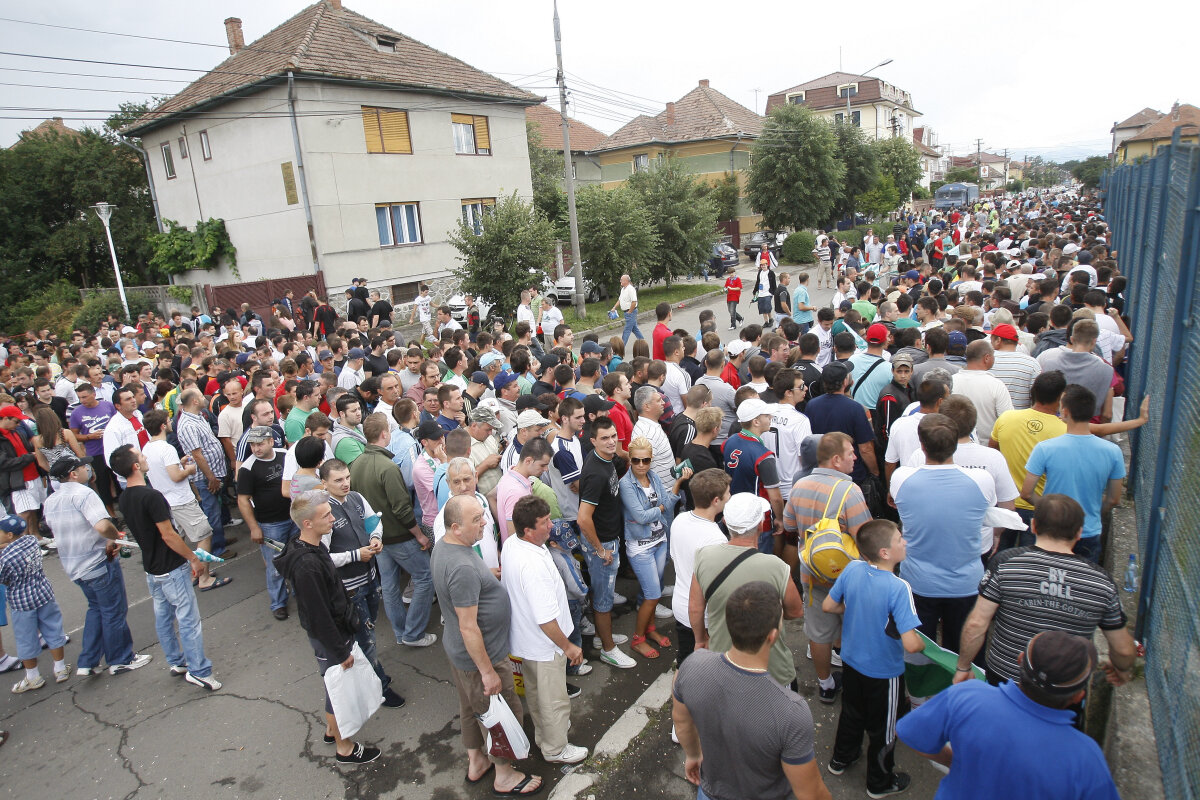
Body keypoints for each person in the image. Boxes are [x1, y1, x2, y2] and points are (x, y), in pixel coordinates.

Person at [897, 631, 1122, 800]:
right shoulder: (1087, 759)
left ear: (1020, 660)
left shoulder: (967, 696)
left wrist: (955, 761)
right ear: (1078, 697)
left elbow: (911, 733)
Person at [955, 494, 1137, 693]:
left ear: (1033, 526)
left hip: (1006, 679)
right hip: (1064, 687)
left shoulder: (1006, 563)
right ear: (1079, 533)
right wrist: (1123, 669)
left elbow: (977, 624)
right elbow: (1123, 649)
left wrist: (963, 667)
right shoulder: (1102, 582)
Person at [673, 580, 831, 800]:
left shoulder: (691, 666)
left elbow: (681, 720)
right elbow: (811, 792)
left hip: (709, 792)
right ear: (772, 635)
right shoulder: (791, 711)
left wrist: (692, 754)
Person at [432, 495, 543, 795]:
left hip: (458, 653)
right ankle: (504, 774)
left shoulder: (445, 546)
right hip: (481, 659)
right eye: (477, 520)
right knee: (500, 714)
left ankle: (476, 761)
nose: (485, 523)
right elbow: (469, 626)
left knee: (471, 709)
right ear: (456, 527)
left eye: (483, 515)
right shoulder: (462, 567)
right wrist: (488, 672)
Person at [274, 491, 381, 765]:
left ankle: (331, 730)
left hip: (334, 632)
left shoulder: (312, 546)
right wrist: (340, 650)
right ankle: (344, 747)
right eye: (326, 515)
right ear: (307, 523)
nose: (333, 518)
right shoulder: (307, 565)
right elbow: (319, 614)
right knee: (338, 689)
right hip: (332, 637)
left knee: (331, 683)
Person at [822, 520, 924, 797]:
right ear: (885, 553)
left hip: (852, 661)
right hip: (884, 672)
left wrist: (856, 607)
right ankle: (879, 783)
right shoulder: (899, 587)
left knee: (852, 713)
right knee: (884, 730)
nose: (904, 542)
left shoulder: (853, 568)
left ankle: (840, 759)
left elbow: (829, 605)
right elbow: (911, 644)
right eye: (900, 539)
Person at [109, 445, 219, 691]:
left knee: (163, 616)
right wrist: (193, 558)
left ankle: (176, 661)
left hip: (152, 567)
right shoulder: (151, 496)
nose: (145, 457)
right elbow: (168, 535)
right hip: (171, 567)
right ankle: (199, 670)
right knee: (188, 620)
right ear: (136, 466)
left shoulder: (125, 496)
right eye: (140, 456)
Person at [890, 414, 996, 654]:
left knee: (920, 654)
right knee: (962, 653)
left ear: (923, 446)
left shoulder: (901, 478)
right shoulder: (982, 480)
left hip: (918, 582)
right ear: (956, 445)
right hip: (966, 584)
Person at [782, 433, 873, 703]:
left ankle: (825, 684)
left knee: (818, 632)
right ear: (836, 460)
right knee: (852, 627)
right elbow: (865, 538)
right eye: (850, 453)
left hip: (811, 574)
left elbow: (789, 526)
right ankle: (855, 678)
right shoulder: (850, 491)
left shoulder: (799, 485)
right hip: (847, 577)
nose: (855, 457)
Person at [44, 455, 151, 676]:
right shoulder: (83, 494)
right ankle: (120, 659)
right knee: (113, 610)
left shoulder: (51, 501)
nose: (88, 469)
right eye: (84, 467)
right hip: (96, 561)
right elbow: (102, 526)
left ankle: (88, 661)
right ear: (73, 474)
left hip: (74, 566)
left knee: (96, 609)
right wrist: (115, 537)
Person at [501, 495, 588, 764]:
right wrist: (569, 646)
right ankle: (555, 749)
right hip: (546, 645)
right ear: (528, 530)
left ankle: (544, 738)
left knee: (538, 697)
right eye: (545, 522)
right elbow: (546, 620)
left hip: (528, 642)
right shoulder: (533, 566)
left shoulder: (512, 544)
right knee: (554, 701)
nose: (551, 525)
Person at [690, 492, 804, 690]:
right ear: (761, 525)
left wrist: (700, 640)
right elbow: (796, 611)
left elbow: (695, 608)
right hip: (772, 668)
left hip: (723, 663)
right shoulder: (777, 567)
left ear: (725, 521)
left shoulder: (703, 556)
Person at [317, 459, 407, 709]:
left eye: (346, 477)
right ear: (324, 483)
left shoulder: (356, 498)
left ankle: (364, 682)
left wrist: (376, 537)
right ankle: (380, 688)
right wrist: (357, 555)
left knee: (365, 636)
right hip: (349, 589)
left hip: (369, 580)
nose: (345, 483)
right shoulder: (324, 511)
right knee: (366, 639)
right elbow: (322, 557)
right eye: (338, 480)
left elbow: (373, 520)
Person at [349, 413, 437, 648]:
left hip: (377, 537)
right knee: (425, 577)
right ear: (384, 434)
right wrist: (419, 535)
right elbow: (402, 508)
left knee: (389, 585)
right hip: (398, 536)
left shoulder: (356, 464)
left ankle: (401, 632)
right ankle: (413, 633)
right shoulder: (387, 467)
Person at [1021, 385, 1123, 563]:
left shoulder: (1045, 448)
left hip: (1050, 530)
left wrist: (1047, 511)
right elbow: (1114, 499)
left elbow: (1027, 493)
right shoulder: (1113, 452)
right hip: (1088, 529)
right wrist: (1094, 513)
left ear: (1065, 411)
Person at [141, 410, 229, 591]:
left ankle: (192, 573)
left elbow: (163, 471)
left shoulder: (147, 448)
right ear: (163, 426)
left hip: (166, 501)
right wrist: (188, 470)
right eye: (168, 420)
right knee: (204, 535)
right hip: (181, 500)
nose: (172, 422)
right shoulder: (166, 448)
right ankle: (204, 577)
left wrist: (179, 464)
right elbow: (175, 476)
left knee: (180, 538)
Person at [620, 436, 689, 659]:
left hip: (659, 540)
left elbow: (669, 502)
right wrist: (661, 504)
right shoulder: (625, 484)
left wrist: (676, 487)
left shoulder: (654, 476)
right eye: (636, 461)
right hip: (641, 546)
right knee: (652, 594)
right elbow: (641, 516)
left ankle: (650, 630)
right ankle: (637, 639)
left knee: (652, 592)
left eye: (646, 460)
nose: (641, 465)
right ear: (629, 460)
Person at [576, 417, 636, 669]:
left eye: (613, 436)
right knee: (603, 600)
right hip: (602, 544)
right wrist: (601, 550)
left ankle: (604, 637)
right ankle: (608, 650)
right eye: (604, 438)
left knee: (604, 596)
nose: (611, 442)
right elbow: (583, 518)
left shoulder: (605, 459)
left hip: (608, 538)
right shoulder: (595, 474)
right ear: (593, 441)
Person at [0, 514, 70, 693]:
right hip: (44, 593)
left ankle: (33, 677)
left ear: (9, 535)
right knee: (53, 629)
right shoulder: (31, 540)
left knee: (26, 639)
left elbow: (4, 579)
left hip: (22, 602)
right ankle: (60, 668)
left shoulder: (5, 558)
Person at [237, 427, 296, 621]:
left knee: (297, 557)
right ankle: (278, 603)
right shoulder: (247, 468)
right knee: (276, 564)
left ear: (271, 441)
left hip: (293, 518)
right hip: (271, 525)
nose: (256, 448)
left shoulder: (284, 455)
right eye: (252, 445)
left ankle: (300, 592)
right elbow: (243, 500)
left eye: (260, 443)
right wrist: (254, 527)